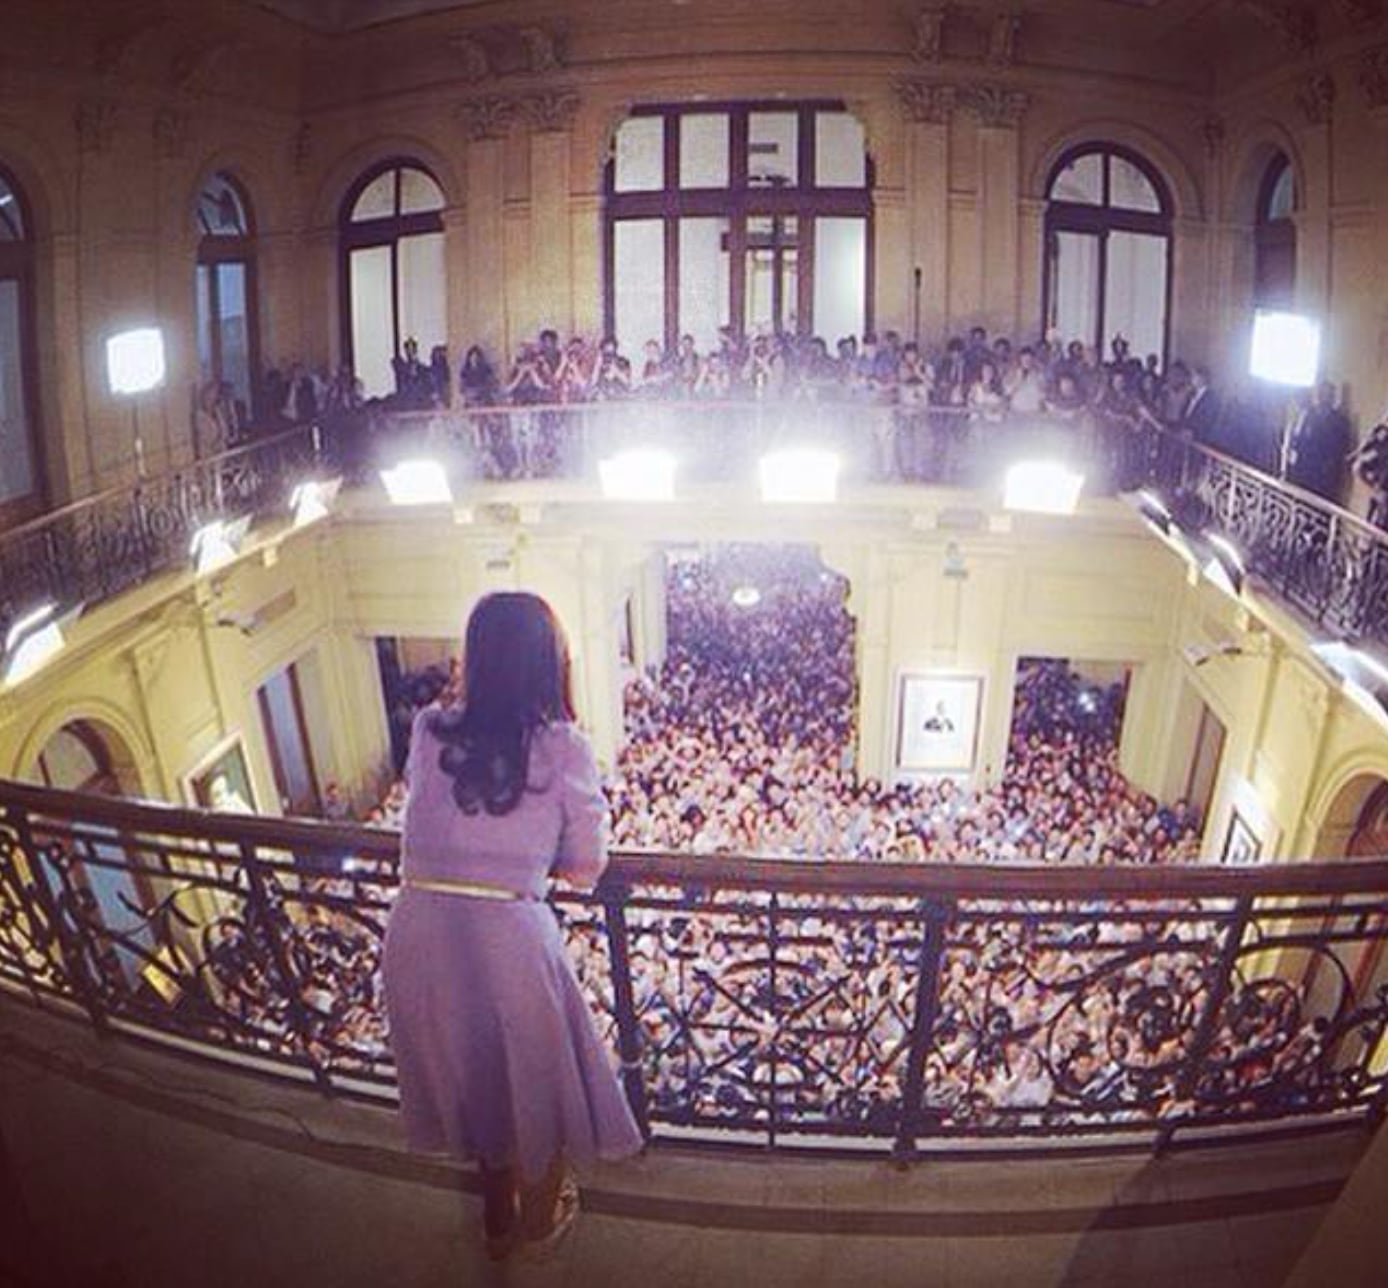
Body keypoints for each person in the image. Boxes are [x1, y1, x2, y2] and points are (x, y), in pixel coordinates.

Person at [382, 593, 642, 1262]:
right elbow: (585, 866)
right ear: (548, 662)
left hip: (418, 930)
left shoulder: (428, 728)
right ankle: (536, 1225)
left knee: (472, 1079)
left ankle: (496, 1221)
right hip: (506, 934)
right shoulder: (562, 746)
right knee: (539, 1081)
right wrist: (526, 851)